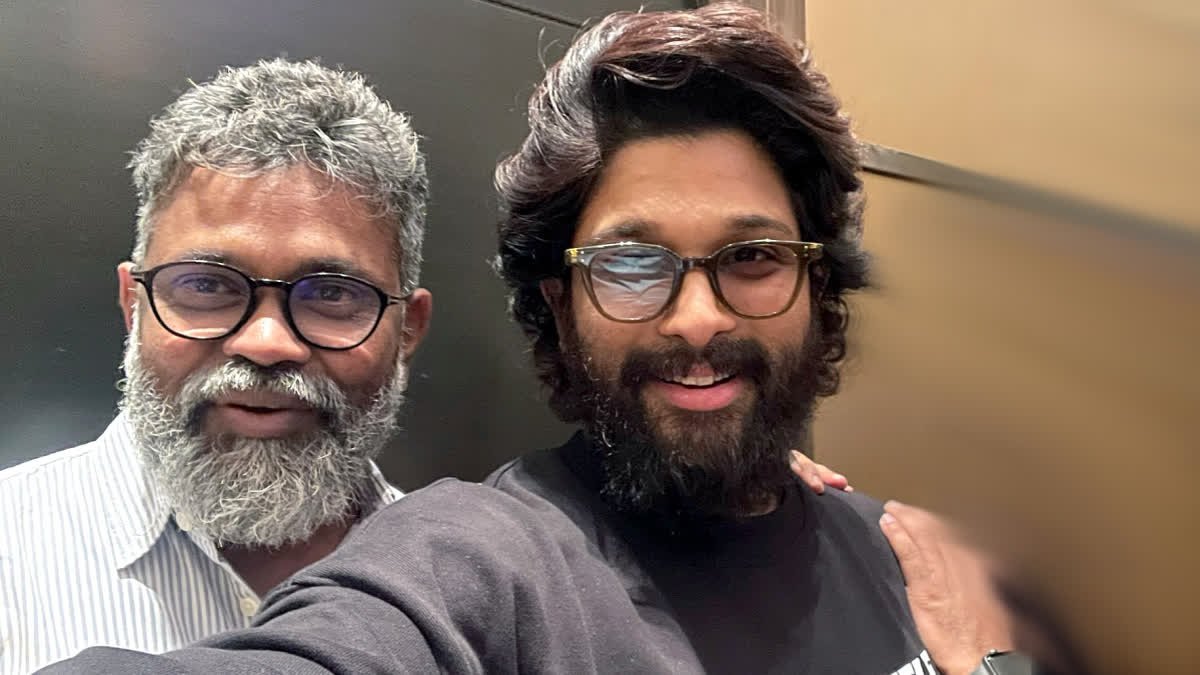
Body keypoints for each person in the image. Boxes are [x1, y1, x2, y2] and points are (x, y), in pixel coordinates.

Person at [42, 4, 1033, 674]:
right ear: (560, 306)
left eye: (753, 258)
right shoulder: (478, 557)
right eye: (632, 263)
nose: (699, 317)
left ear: (816, 285)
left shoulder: (920, 563)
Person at [0, 58, 434, 673]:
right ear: (133, 304)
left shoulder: (465, 585)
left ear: (408, 329)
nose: (266, 343)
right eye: (206, 284)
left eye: (333, 293)